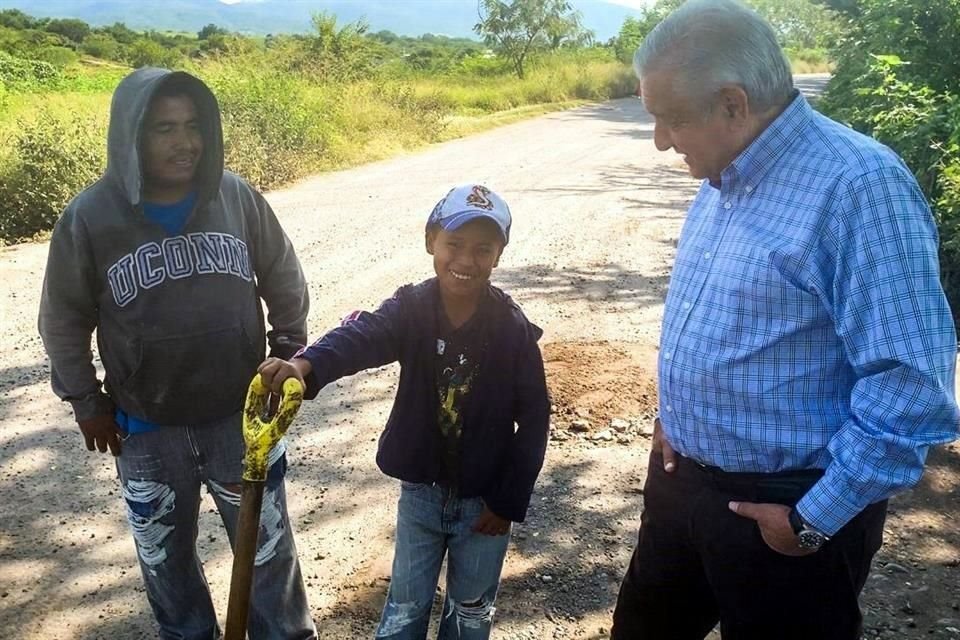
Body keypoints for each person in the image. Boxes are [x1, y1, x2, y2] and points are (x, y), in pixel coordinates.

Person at [612, 1, 960, 638]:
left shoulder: (859, 186)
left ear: (733, 104)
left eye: (670, 119)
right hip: (680, 487)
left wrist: (812, 518)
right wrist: (678, 416)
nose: (661, 140)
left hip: (787, 512)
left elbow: (912, 383)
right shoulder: (720, 173)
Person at [38, 67, 316, 640]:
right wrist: (84, 398)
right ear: (132, 136)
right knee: (165, 561)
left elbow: (284, 277)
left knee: (266, 551)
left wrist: (288, 348)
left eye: (193, 126)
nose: (183, 142)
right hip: (145, 427)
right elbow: (63, 318)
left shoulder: (235, 196)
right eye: (164, 128)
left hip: (241, 418)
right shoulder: (90, 217)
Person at [258, 183, 550, 640]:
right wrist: (304, 364)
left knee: (472, 612)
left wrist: (507, 501)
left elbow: (535, 419)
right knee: (406, 604)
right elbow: (362, 335)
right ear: (431, 240)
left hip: (484, 503)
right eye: (454, 244)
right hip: (422, 495)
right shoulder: (411, 308)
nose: (466, 261)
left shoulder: (512, 329)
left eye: (482, 249)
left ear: (499, 255)